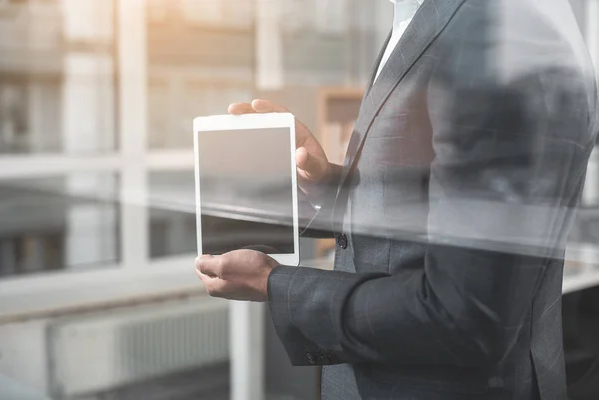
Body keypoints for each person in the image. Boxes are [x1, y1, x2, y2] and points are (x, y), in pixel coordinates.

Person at [195, 0, 599, 398]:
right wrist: (326, 186)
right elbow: (426, 202)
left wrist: (276, 284)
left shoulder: (496, 33)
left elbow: (464, 316)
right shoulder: (422, 17)